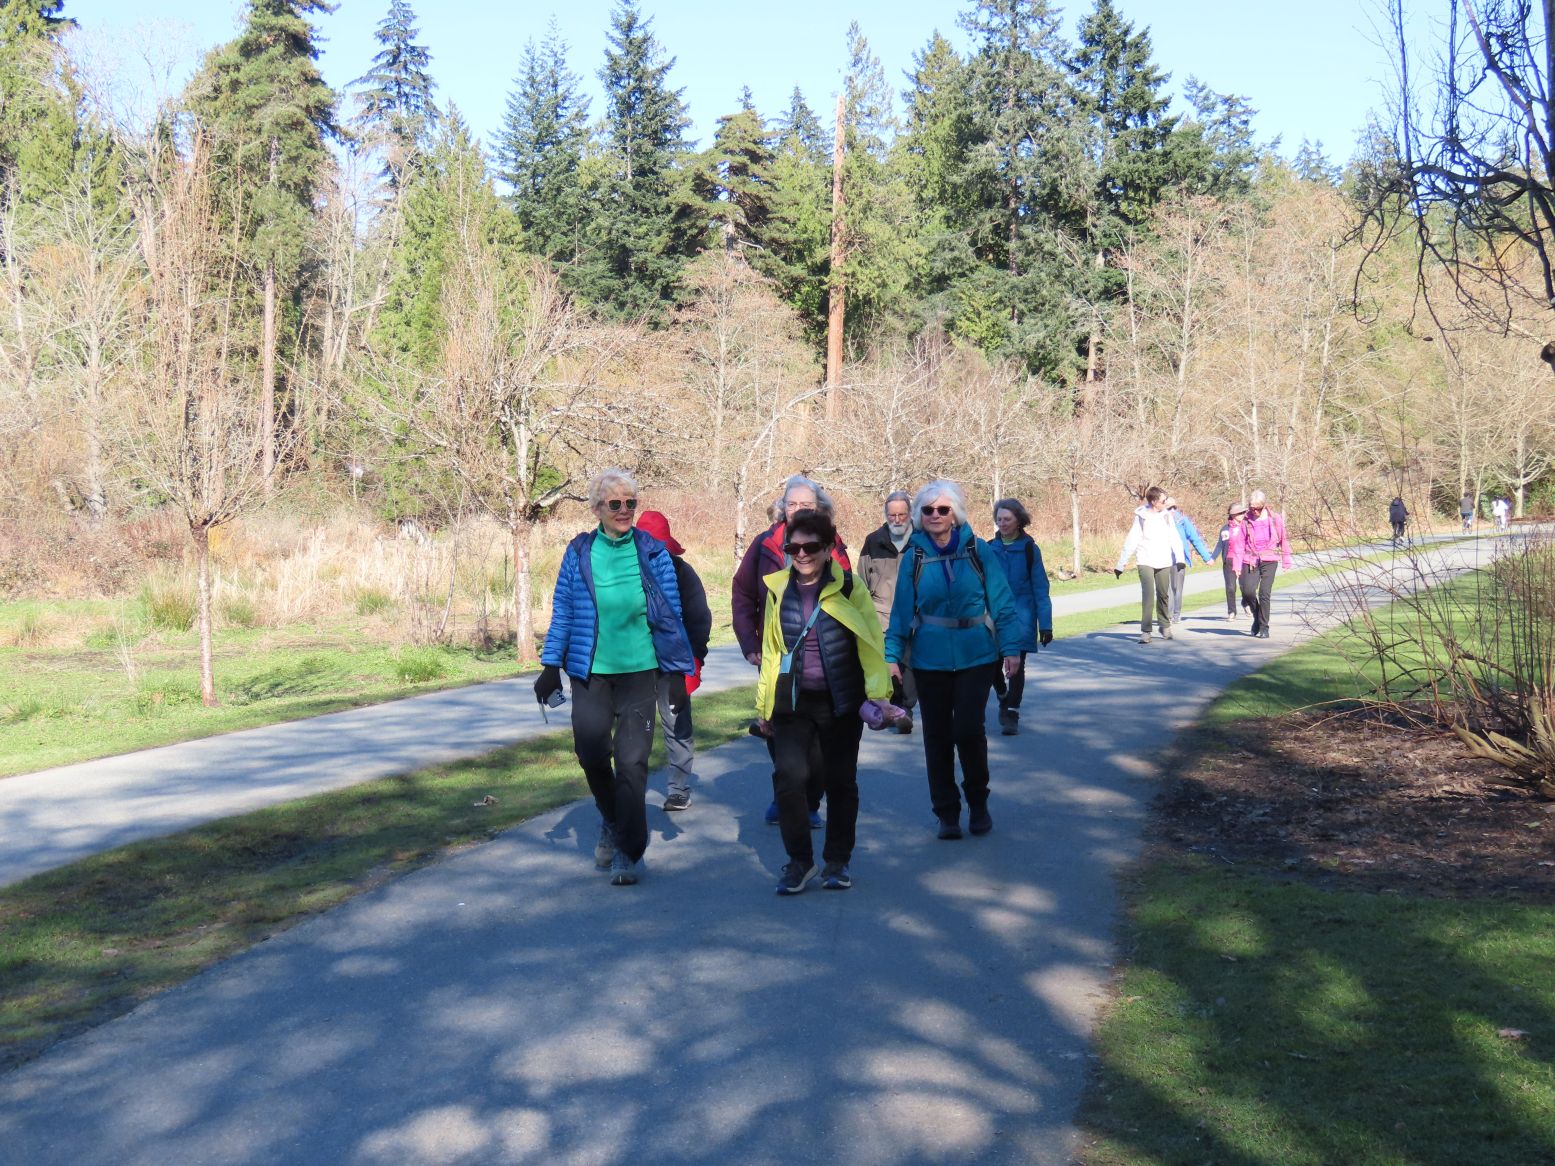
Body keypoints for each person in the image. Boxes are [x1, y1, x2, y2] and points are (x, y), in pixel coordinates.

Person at [535, 469, 694, 886]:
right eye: (615, 504)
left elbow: (672, 617)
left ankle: (628, 848)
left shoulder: (653, 553)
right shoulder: (579, 553)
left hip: (640, 673)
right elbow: (564, 612)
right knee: (590, 753)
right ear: (596, 509)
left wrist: (678, 674)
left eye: (630, 503)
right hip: (590, 674)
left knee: (632, 763)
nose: (624, 510)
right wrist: (550, 666)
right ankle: (612, 818)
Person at [755, 509, 895, 894]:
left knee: (840, 782)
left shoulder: (849, 588)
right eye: (793, 548)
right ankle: (799, 861)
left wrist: (879, 695)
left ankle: (837, 861)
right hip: (792, 703)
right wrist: (764, 707)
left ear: (828, 548)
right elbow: (771, 651)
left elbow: (870, 644)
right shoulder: (778, 589)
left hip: (841, 702)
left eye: (810, 547)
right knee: (789, 778)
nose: (801, 554)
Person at [885, 479, 1022, 840]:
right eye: (928, 510)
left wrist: (1010, 648)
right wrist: (892, 655)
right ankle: (946, 812)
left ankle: (978, 803)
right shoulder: (914, 557)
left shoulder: (978, 550)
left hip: (976, 655)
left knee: (968, 731)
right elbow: (900, 612)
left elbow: (1002, 603)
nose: (935, 515)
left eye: (943, 509)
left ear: (955, 514)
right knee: (937, 736)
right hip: (929, 660)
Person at [732, 474, 852, 827]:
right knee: (779, 728)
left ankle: (809, 798)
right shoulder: (765, 544)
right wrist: (749, 642)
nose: (798, 509)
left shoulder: (833, 544)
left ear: (820, 509)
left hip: (823, 654)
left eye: (806, 504)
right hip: (777, 652)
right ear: (782, 507)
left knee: (816, 740)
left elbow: (848, 594)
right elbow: (742, 594)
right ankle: (786, 793)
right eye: (792, 503)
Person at [635, 510, 711, 812]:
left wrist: (692, 660)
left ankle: (678, 789)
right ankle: (630, 788)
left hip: (673, 664)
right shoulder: (627, 571)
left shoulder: (683, 573)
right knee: (634, 727)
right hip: (637, 663)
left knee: (676, 723)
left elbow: (699, 618)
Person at [986, 498, 1053, 736]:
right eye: (999, 519)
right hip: (993, 617)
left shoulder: (1029, 550)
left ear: (1018, 521)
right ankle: (1003, 695)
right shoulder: (988, 548)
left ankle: (1012, 713)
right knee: (991, 664)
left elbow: (1040, 588)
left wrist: (1046, 624)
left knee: (1017, 665)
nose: (1002, 523)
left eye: (1007, 519)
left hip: (1021, 616)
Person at [857, 490, 917, 734]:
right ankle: (895, 708)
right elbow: (862, 579)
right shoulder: (873, 541)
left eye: (902, 515)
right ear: (885, 515)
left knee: (909, 664)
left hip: (914, 616)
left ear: (910, 514)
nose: (897, 519)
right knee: (887, 664)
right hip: (881, 614)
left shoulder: (921, 540)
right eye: (892, 515)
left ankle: (907, 707)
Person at [1114, 486, 1183, 645]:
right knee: (1148, 595)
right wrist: (1121, 564)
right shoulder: (1141, 517)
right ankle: (1146, 631)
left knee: (1163, 594)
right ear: (1153, 501)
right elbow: (1132, 540)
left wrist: (1180, 559)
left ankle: (1164, 625)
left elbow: (1174, 538)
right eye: (1163, 501)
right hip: (1145, 559)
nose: (1165, 504)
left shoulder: (1167, 516)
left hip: (1164, 560)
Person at [1228, 488, 1293, 638]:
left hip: (1269, 559)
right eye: (1252, 508)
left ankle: (1264, 626)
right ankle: (1257, 617)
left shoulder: (1275, 519)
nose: (1255, 511)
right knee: (1248, 592)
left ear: (1264, 506)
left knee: (1264, 593)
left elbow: (1284, 539)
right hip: (1250, 559)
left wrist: (1286, 561)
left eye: (1258, 508)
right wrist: (1237, 565)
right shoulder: (1246, 521)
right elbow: (1239, 544)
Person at [1165, 497, 1213, 625]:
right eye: (1169, 508)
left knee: (1177, 588)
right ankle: (1168, 615)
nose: (1172, 510)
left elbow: (1195, 539)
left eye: (1174, 507)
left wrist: (1206, 557)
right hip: (1164, 559)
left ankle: (1176, 615)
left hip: (1179, 559)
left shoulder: (1182, 520)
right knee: (1167, 589)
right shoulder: (1160, 521)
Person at [1210, 502, 1248, 619]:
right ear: (1232, 515)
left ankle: (1246, 603)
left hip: (1244, 560)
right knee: (1230, 587)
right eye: (1239, 513)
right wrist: (1213, 557)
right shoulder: (1225, 529)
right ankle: (1232, 611)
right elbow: (1220, 545)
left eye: (1243, 512)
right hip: (1229, 561)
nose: (1242, 514)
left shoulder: (1247, 526)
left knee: (1245, 587)